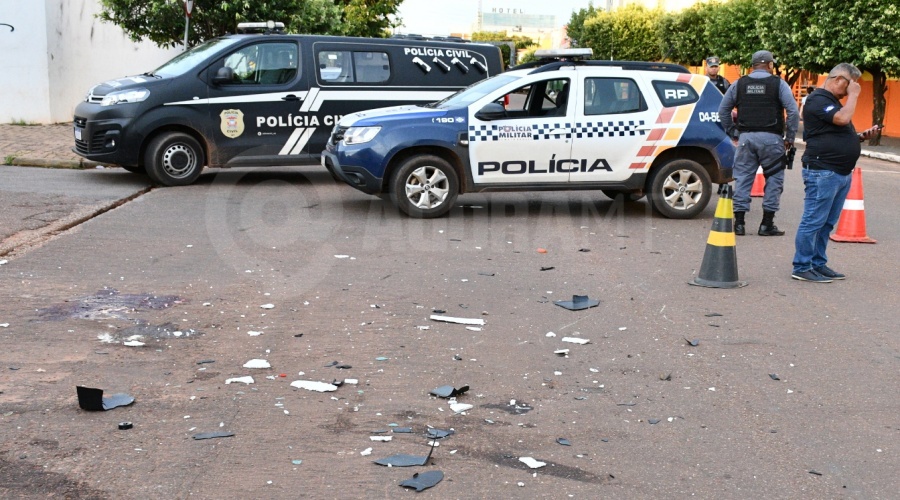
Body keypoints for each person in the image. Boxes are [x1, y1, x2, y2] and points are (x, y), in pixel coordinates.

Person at [791, 63, 880, 283]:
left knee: (827, 223)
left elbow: (834, 131)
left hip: (838, 172)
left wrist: (858, 137)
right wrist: (854, 96)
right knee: (813, 220)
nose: (854, 88)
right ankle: (801, 266)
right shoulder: (818, 99)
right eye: (852, 83)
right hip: (822, 171)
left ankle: (818, 263)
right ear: (839, 79)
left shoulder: (833, 103)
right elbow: (841, 119)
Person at [718, 50, 799, 236]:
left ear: (752, 66)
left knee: (743, 179)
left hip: (746, 139)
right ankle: (766, 224)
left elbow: (723, 110)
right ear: (770, 65)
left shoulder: (739, 84)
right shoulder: (779, 84)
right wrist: (790, 137)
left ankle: (739, 224)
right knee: (774, 180)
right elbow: (793, 112)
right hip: (772, 140)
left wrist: (733, 132)